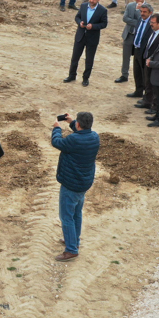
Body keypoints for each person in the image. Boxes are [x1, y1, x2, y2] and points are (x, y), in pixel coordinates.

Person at [51, 111, 99, 262]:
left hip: (71, 184)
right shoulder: (95, 137)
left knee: (66, 216)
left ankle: (71, 249)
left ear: (79, 124)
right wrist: (71, 122)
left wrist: (57, 128)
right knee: (76, 213)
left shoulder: (73, 139)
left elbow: (57, 142)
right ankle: (73, 240)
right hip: (83, 183)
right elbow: (81, 134)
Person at [65, 0, 108, 86]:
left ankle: (85, 78)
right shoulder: (83, 6)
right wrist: (79, 22)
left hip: (92, 38)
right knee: (75, 57)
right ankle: (72, 75)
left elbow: (104, 24)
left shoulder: (102, 10)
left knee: (89, 60)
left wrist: (93, 26)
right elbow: (77, 17)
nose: (91, 1)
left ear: (98, 0)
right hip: (80, 36)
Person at [118, 0, 146, 84]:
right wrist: (138, 23)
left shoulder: (148, 8)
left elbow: (146, 22)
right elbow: (125, 18)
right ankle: (124, 75)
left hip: (140, 38)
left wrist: (139, 12)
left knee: (138, 60)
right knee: (125, 57)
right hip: (129, 34)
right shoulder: (130, 5)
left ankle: (139, 79)